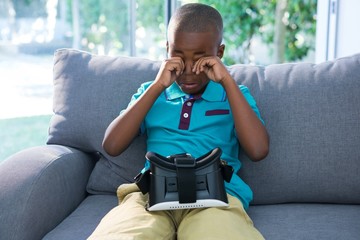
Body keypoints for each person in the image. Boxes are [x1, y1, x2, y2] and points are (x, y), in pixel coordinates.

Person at [88, 3, 269, 240]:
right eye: (178, 56)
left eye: (201, 58)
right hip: (152, 194)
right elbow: (112, 145)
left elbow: (258, 150)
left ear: (219, 53)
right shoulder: (151, 92)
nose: (189, 70)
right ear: (167, 50)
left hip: (217, 197)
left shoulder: (235, 94)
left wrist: (227, 81)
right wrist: (156, 87)